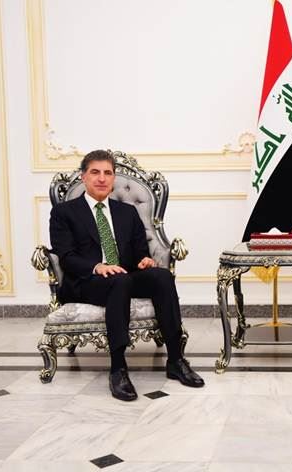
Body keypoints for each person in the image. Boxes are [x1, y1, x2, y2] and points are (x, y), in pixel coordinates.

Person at [50, 150, 204, 401]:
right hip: (86, 281)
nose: (102, 178)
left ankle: (176, 360)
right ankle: (118, 368)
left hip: (122, 276)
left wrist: (144, 260)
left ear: (113, 178)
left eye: (107, 173)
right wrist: (97, 266)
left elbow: (139, 252)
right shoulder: (64, 212)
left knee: (162, 277)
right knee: (119, 282)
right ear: (84, 177)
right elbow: (65, 255)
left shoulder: (126, 212)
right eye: (95, 172)